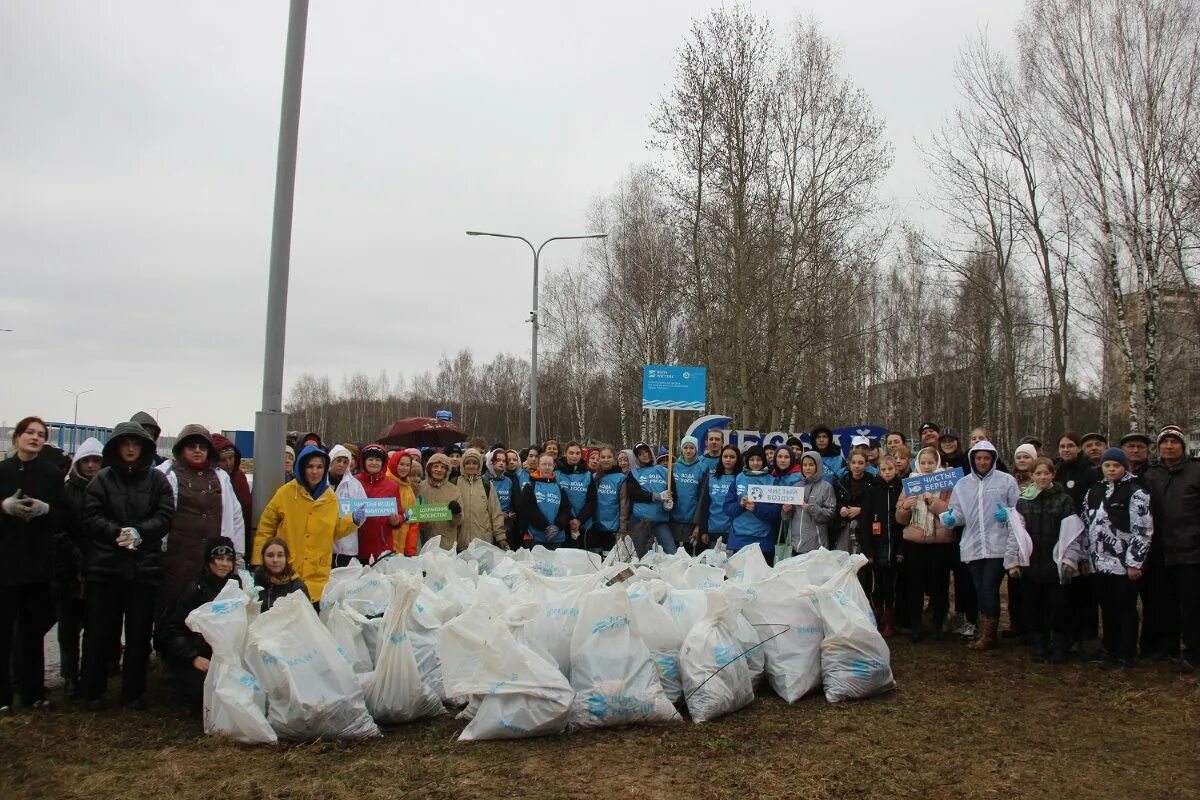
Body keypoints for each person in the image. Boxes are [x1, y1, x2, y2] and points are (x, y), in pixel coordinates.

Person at [81, 420, 175, 710]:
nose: (131, 448)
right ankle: (92, 691)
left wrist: (140, 532)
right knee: (98, 631)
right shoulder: (103, 480)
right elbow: (91, 514)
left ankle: (133, 693)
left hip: (143, 569)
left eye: (136, 444)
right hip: (106, 567)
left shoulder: (157, 480)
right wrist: (116, 533)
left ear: (145, 447)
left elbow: (165, 514)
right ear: (117, 448)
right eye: (126, 444)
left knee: (138, 635)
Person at [0, 417, 63, 713]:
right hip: (6, 563)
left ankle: (33, 693)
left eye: (41, 435)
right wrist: (4, 507)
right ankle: (3, 697)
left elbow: (66, 515)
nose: (35, 438)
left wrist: (46, 509)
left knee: (32, 631)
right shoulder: (3, 471)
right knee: (3, 631)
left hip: (38, 564)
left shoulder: (51, 474)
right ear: (17, 438)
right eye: (30, 433)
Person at [253, 445, 365, 604]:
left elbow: (332, 531)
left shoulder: (330, 498)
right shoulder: (285, 493)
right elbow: (266, 528)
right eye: (310, 466)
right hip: (287, 573)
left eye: (319, 467)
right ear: (301, 468)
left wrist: (352, 521)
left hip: (317, 576)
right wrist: (259, 561)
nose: (315, 472)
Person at [157, 424, 245, 614]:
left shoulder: (221, 478)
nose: (197, 451)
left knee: (210, 615)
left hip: (213, 564)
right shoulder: (169, 475)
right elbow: (161, 517)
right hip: (177, 560)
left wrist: (237, 554)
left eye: (202, 447)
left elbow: (236, 516)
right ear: (182, 449)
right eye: (191, 447)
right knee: (173, 612)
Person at [941, 439, 1019, 651]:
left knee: (989, 587)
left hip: (997, 545)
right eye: (978, 458)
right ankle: (986, 630)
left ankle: (988, 635)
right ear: (972, 460)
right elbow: (957, 512)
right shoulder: (963, 484)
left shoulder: (1006, 481)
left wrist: (1009, 515)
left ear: (992, 459)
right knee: (979, 588)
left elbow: (1019, 509)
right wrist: (950, 518)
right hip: (973, 545)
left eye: (986, 458)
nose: (982, 462)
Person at [1082, 448, 1153, 669]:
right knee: (1107, 607)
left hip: (1124, 564)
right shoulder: (1094, 491)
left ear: (1125, 467)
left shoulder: (1136, 492)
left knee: (1125, 608)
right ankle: (1110, 648)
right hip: (1098, 563)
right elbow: (1086, 526)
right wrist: (1085, 557)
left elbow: (1143, 529)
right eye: (1107, 465)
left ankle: (1127, 651)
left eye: (1116, 465)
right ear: (1101, 468)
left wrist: (1135, 562)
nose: (1111, 469)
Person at [155, 536, 241, 711]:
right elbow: (172, 629)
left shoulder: (238, 588)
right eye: (219, 559)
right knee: (201, 694)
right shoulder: (194, 589)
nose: (224, 564)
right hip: (199, 655)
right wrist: (192, 657)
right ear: (209, 561)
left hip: (228, 657)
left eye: (228, 559)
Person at [1145, 425, 1200, 673]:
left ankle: (1193, 652)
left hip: (1191, 550)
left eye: (1174, 442)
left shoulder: (1195, 471)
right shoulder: (1151, 474)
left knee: (1191, 606)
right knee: (1163, 603)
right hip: (1159, 551)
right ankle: (1168, 648)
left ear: (1182, 446)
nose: (1169, 446)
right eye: (1164, 443)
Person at [1014, 458, 1077, 663]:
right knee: (1034, 605)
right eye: (1038, 473)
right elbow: (1015, 533)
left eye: (1046, 473)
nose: (1042, 477)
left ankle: (1059, 644)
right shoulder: (1023, 501)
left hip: (1054, 561)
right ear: (1031, 476)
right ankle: (1039, 642)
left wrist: (1070, 559)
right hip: (1031, 561)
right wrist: (1013, 560)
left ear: (1053, 475)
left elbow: (1073, 533)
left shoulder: (1064, 500)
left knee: (1058, 606)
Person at [57, 435, 103, 699]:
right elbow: (59, 529)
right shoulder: (66, 491)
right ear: (77, 464)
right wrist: (73, 558)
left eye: (96, 460)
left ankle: (89, 676)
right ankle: (69, 677)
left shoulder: (108, 488)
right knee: (68, 628)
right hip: (70, 570)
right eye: (86, 461)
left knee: (95, 627)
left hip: (99, 566)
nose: (90, 466)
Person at [895, 447, 955, 642]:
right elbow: (900, 518)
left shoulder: (947, 483)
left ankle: (938, 624)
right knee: (915, 586)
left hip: (940, 542)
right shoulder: (911, 483)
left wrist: (933, 501)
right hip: (915, 542)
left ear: (937, 463)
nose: (927, 466)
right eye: (923, 462)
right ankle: (916, 626)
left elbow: (952, 513)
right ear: (918, 464)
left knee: (939, 585)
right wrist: (905, 507)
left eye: (931, 462)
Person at [861, 454, 904, 636]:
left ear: (896, 469)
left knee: (891, 585)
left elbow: (905, 524)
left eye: (890, 469)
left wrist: (901, 550)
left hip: (894, 546)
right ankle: (876, 614)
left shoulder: (901, 489)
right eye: (883, 469)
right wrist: (868, 551)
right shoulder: (872, 490)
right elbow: (865, 521)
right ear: (879, 470)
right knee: (876, 585)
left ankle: (890, 619)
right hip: (877, 546)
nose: (887, 473)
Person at [722, 445, 780, 564]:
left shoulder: (772, 481)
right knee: (736, 579)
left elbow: (776, 512)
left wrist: (756, 508)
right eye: (752, 459)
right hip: (739, 538)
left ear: (763, 461)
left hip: (763, 540)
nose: (755, 463)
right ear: (747, 461)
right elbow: (727, 508)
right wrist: (740, 505)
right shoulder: (738, 479)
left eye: (759, 459)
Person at [353, 444, 406, 562]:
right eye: (370, 459)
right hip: (357, 546)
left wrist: (397, 521)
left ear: (383, 463)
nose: (374, 463)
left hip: (382, 546)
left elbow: (400, 513)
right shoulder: (354, 481)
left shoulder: (392, 485)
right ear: (363, 462)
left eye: (378, 460)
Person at [782, 450, 837, 556]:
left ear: (818, 466)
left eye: (811, 465)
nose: (807, 468)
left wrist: (811, 508)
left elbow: (830, 514)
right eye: (805, 465)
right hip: (795, 545)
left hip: (817, 546)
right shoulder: (796, 486)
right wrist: (786, 511)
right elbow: (786, 517)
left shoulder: (826, 487)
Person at [625, 442, 675, 555]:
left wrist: (670, 502)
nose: (645, 455)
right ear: (636, 457)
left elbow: (672, 489)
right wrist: (656, 496)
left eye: (646, 452)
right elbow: (635, 494)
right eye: (640, 454)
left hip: (660, 520)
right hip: (641, 521)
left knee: (671, 552)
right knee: (641, 554)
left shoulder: (664, 471)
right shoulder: (633, 474)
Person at [454, 448, 507, 550]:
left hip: (483, 542)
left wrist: (500, 537)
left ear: (479, 465)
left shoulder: (486, 484)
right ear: (463, 465)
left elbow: (495, 512)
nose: (471, 466)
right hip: (460, 542)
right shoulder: (455, 483)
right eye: (468, 463)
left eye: (474, 463)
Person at [519, 454, 572, 549]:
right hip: (535, 538)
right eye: (544, 464)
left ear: (553, 466)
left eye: (550, 464)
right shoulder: (530, 486)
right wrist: (546, 527)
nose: (547, 467)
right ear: (538, 466)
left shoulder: (559, 488)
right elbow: (529, 510)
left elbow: (566, 510)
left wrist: (557, 526)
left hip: (557, 538)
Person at [212, 433, 252, 552]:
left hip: (243, 535)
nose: (229, 463)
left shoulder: (239, 477)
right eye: (223, 460)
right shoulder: (211, 481)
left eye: (231, 457)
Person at [696, 445, 741, 550]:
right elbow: (705, 506)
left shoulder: (741, 479)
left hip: (734, 531)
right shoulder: (712, 479)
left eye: (732, 457)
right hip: (713, 530)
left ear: (737, 459)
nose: (728, 460)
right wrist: (703, 530)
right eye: (725, 456)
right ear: (721, 459)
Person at [833, 451, 877, 555]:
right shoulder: (841, 482)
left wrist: (862, 510)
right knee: (842, 558)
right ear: (849, 463)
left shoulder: (874, 482)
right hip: (844, 527)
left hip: (865, 528)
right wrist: (841, 508)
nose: (856, 466)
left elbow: (877, 504)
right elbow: (835, 502)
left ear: (866, 464)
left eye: (860, 463)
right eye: (854, 462)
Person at [331, 444, 368, 566]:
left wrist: (356, 520)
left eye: (345, 461)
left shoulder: (355, 485)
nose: (341, 464)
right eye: (338, 461)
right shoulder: (322, 482)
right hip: (325, 545)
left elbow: (364, 508)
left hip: (347, 545)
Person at [417, 453, 463, 550]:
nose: (439, 470)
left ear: (447, 471)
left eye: (443, 467)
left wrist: (457, 513)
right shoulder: (419, 487)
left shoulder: (454, 490)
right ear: (429, 468)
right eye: (435, 466)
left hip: (446, 544)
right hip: (424, 542)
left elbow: (458, 522)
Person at [671, 436, 708, 553]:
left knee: (690, 554)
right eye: (685, 447)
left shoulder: (702, 468)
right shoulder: (674, 467)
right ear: (681, 449)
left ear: (696, 449)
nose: (688, 451)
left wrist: (698, 523)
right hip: (674, 518)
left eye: (691, 448)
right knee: (673, 555)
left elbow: (702, 496)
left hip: (691, 519)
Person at [253, 537, 309, 613]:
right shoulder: (253, 582)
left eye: (280, 555)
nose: (275, 560)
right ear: (263, 558)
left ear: (287, 558)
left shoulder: (297, 587)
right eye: (270, 555)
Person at [555, 441, 595, 548]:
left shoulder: (587, 475)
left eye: (577, 453)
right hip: (563, 523)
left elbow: (592, 501)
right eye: (571, 453)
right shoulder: (557, 473)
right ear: (565, 454)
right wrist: (570, 519)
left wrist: (579, 520)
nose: (574, 456)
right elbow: (555, 499)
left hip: (583, 523)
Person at [587, 446, 627, 553]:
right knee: (595, 557)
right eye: (603, 457)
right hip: (594, 526)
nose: (606, 459)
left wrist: (622, 526)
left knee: (607, 559)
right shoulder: (594, 477)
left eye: (609, 457)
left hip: (611, 527)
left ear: (614, 459)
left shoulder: (621, 478)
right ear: (599, 458)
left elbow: (624, 503)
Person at [388, 451, 420, 556]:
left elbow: (413, 522)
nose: (404, 468)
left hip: (402, 548)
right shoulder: (385, 483)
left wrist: (410, 550)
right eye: (401, 464)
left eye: (407, 465)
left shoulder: (408, 488)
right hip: (384, 547)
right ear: (394, 463)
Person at [487, 448, 520, 546]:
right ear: (491, 462)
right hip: (490, 523)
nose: (501, 463)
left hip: (506, 525)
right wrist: (499, 513)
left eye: (504, 461)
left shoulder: (509, 481)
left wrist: (512, 512)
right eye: (498, 460)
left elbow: (513, 501)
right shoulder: (485, 480)